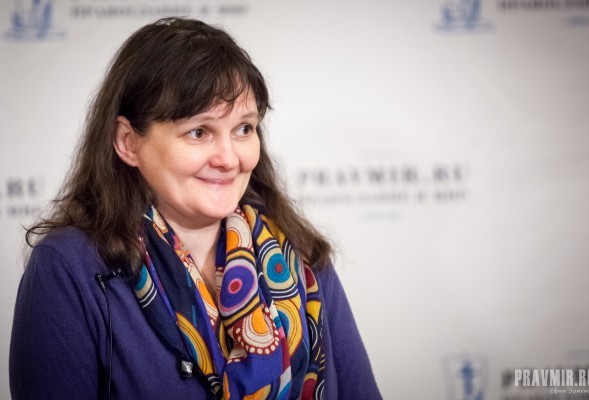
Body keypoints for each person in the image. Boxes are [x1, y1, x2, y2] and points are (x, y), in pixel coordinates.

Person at [9, 17, 381, 400]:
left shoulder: (301, 256)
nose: (228, 159)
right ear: (128, 142)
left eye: (244, 129)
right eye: (199, 132)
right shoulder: (69, 267)